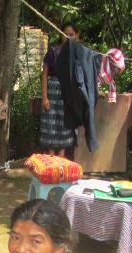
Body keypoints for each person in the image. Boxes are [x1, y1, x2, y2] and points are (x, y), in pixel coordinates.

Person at [40, 23, 79, 157]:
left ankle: (61, 158)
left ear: (76, 36)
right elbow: (44, 74)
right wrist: (44, 97)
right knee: (50, 124)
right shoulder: (53, 51)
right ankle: (51, 158)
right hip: (52, 92)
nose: (67, 37)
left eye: (71, 35)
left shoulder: (77, 53)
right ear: (60, 35)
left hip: (68, 92)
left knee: (64, 124)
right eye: (65, 34)